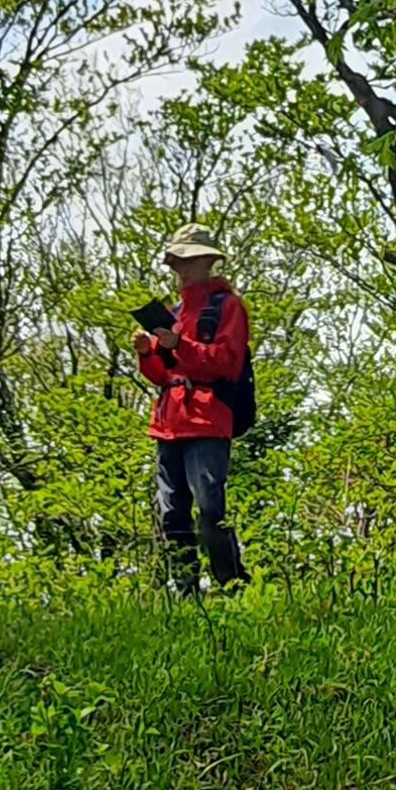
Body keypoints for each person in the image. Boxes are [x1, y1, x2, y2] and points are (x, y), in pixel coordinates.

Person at [133, 224, 250, 593]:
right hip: (169, 422)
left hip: (209, 420)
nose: (180, 270)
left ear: (207, 262)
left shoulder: (228, 307)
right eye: (176, 262)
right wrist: (146, 353)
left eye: (186, 261)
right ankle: (185, 590)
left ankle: (229, 585)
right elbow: (162, 373)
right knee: (172, 515)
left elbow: (226, 363)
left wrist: (178, 344)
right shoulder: (176, 311)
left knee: (210, 511)